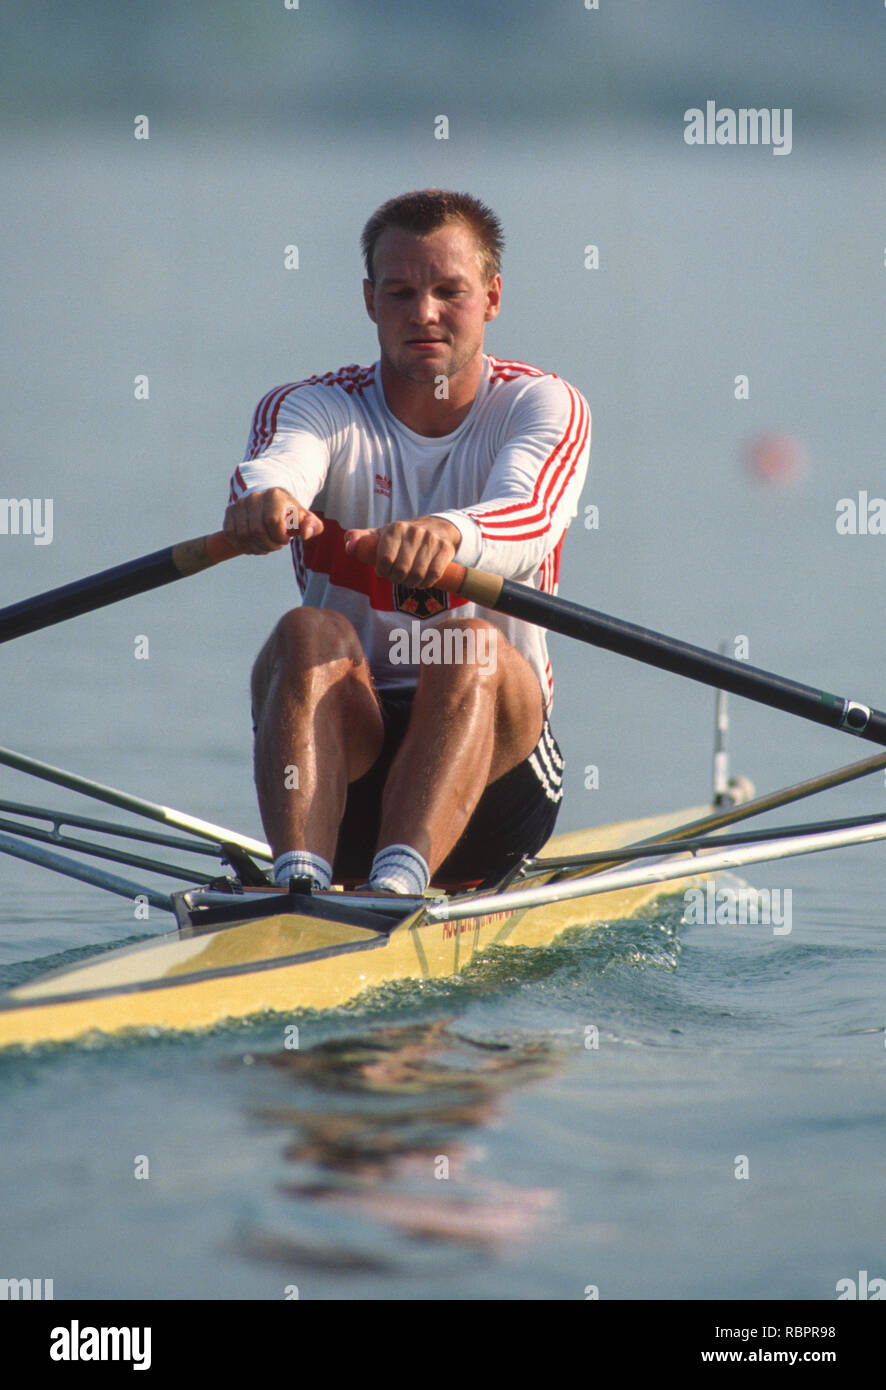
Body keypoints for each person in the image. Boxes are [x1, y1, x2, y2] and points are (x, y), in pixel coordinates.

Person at [223, 189, 590, 895]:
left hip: (493, 776)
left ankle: (395, 887)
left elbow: (529, 517)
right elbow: (277, 467)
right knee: (305, 632)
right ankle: (301, 879)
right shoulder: (315, 406)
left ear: (492, 296)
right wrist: (261, 502)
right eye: (400, 292)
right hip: (348, 757)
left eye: (449, 291)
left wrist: (447, 534)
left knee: (469, 643)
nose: (423, 313)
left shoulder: (542, 404)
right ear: (369, 301)